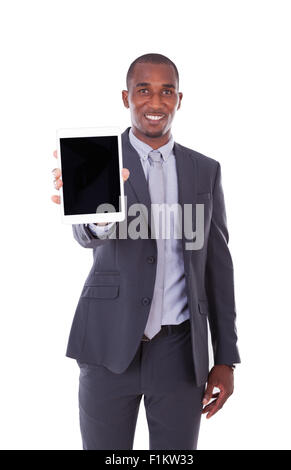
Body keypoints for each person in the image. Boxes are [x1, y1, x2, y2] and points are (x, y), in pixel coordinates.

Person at [51, 53, 241, 450]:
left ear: (178, 99)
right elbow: (88, 235)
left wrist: (225, 357)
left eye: (166, 91)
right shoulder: (96, 157)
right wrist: (100, 215)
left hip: (179, 355)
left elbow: (218, 268)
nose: (155, 103)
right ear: (126, 97)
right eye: (144, 90)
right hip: (108, 348)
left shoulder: (204, 170)